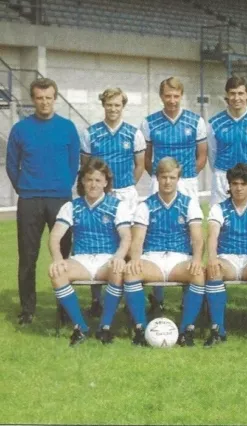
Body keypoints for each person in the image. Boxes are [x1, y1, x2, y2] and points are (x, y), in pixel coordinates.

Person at [5, 77, 79, 325]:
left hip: (60, 199)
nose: (44, 102)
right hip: (30, 200)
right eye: (39, 98)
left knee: (64, 256)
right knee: (28, 257)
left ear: (54, 98)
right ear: (33, 99)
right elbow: (12, 165)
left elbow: (73, 163)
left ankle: (64, 309)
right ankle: (27, 310)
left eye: (49, 98)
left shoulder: (68, 127)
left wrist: (61, 185)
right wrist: (25, 189)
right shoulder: (20, 129)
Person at [48, 158, 132, 345]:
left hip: (107, 259)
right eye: (89, 179)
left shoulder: (118, 206)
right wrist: (57, 258)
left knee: (118, 271)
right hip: (81, 260)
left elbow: (126, 236)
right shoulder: (71, 206)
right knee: (56, 272)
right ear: (83, 182)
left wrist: (119, 256)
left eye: (98, 180)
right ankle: (81, 327)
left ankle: (105, 327)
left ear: (105, 183)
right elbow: (54, 237)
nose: (93, 184)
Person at [140, 76, 207, 309]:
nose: (171, 100)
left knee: (188, 232)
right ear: (161, 97)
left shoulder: (196, 121)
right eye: (167, 96)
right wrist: (159, 177)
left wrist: (185, 176)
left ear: (182, 96)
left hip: (187, 180)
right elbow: (146, 157)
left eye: (176, 96)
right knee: (155, 231)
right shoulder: (149, 123)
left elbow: (202, 155)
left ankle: (188, 290)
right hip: (159, 181)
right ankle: (156, 297)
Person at [124, 157, 205, 346]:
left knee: (199, 273)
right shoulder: (145, 205)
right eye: (163, 177)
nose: (168, 182)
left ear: (178, 179)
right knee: (130, 272)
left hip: (180, 258)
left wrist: (197, 259)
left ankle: (187, 330)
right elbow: (137, 239)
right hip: (152, 258)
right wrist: (135, 259)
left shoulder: (189, 204)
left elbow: (198, 237)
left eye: (172, 177)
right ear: (157, 178)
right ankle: (140, 329)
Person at [80, 87, 146, 316]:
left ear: (123, 106)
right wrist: (101, 189)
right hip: (99, 194)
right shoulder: (91, 133)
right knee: (98, 241)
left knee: (128, 243)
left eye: (117, 104)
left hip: (126, 193)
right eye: (109, 104)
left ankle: (129, 298)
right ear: (103, 105)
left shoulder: (133, 133)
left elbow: (139, 165)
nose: (113, 109)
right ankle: (97, 299)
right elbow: (86, 166)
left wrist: (127, 186)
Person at [206, 163, 247, 348]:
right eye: (234, 183)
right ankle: (217, 329)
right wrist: (212, 258)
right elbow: (212, 235)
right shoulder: (218, 208)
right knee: (213, 271)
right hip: (227, 258)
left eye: (244, 184)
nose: (239, 188)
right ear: (229, 186)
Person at [208, 76, 247, 206]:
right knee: (219, 220)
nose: (236, 98)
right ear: (227, 95)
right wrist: (222, 173)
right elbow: (212, 153)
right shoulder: (215, 123)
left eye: (240, 93)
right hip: (222, 177)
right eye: (232, 93)